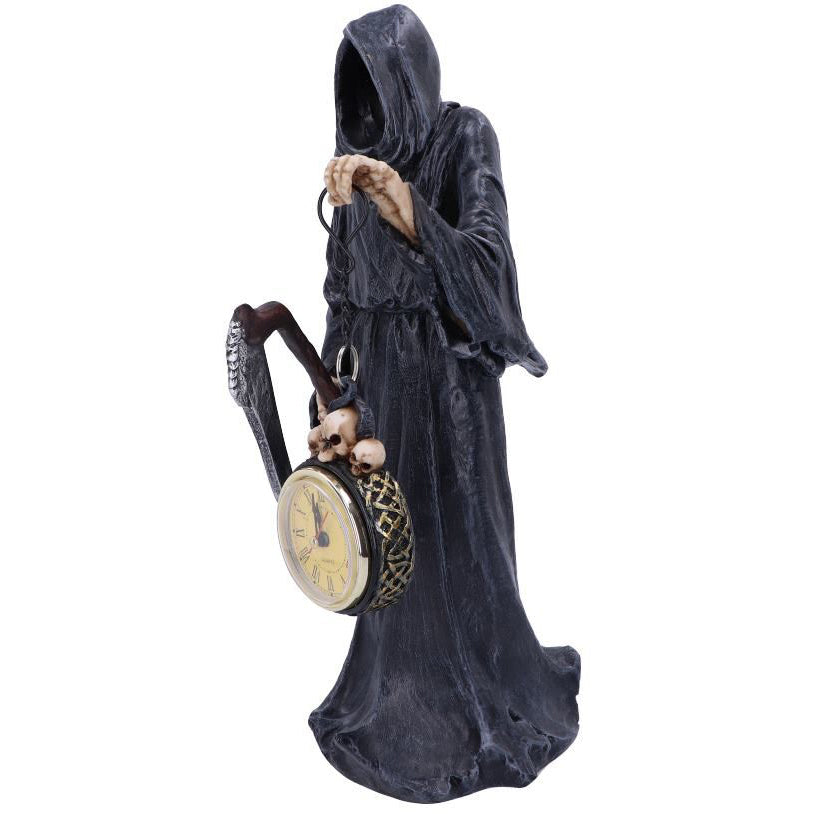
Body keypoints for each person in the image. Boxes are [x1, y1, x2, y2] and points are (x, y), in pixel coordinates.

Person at [309, 5, 580, 802]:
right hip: (381, 389)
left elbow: (489, 266)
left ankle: (487, 705)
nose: (367, 110)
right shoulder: (349, 165)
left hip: (449, 388)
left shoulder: (465, 137)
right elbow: (342, 293)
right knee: (386, 548)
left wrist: (407, 208)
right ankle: (394, 704)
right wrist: (338, 398)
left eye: (379, 85)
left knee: (461, 545)